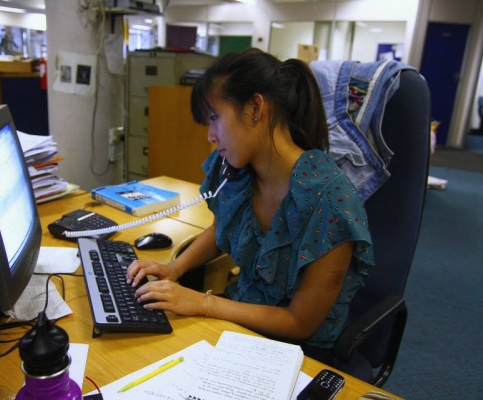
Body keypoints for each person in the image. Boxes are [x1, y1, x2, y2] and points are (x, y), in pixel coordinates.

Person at [126, 48, 375, 359]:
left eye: (215, 118)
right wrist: (174, 268)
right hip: (240, 317)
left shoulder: (330, 201)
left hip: (299, 350)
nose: (210, 136)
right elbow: (221, 228)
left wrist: (203, 303)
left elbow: (300, 323)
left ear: (256, 107)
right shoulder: (239, 172)